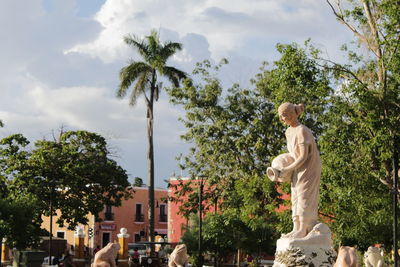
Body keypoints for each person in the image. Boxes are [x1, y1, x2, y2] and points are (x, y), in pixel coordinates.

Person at [276, 102, 321, 239]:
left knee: (304, 195)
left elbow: (303, 156)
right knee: (295, 196)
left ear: (291, 114)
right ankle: (296, 227)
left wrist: (288, 168)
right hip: (297, 167)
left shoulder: (302, 130)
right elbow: (293, 154)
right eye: (280, 116)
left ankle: (303, 228)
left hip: (308, 167)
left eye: (284, 116)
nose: (282, 119)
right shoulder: (289, 131)